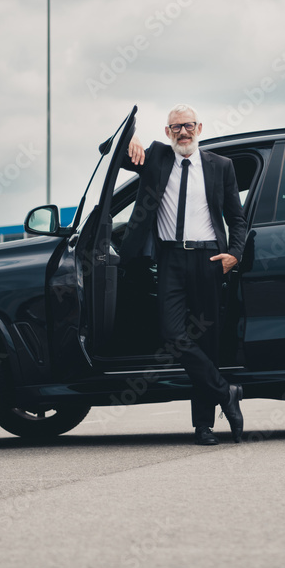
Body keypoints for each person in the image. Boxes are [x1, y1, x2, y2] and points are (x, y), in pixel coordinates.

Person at [121, 103, 246, 445]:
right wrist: (130, 138)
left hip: (209, 259)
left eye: (188, 125)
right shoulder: (156, 159)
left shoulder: (221, 166)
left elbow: (237, 218)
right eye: (175, 127)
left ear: (199, 127)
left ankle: (203, 426)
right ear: (167, 132)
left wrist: (234, 254)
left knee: (206, 343)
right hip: (171, 259)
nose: (183, 132)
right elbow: (110, 152)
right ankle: (226, 393)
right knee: (173, 333)